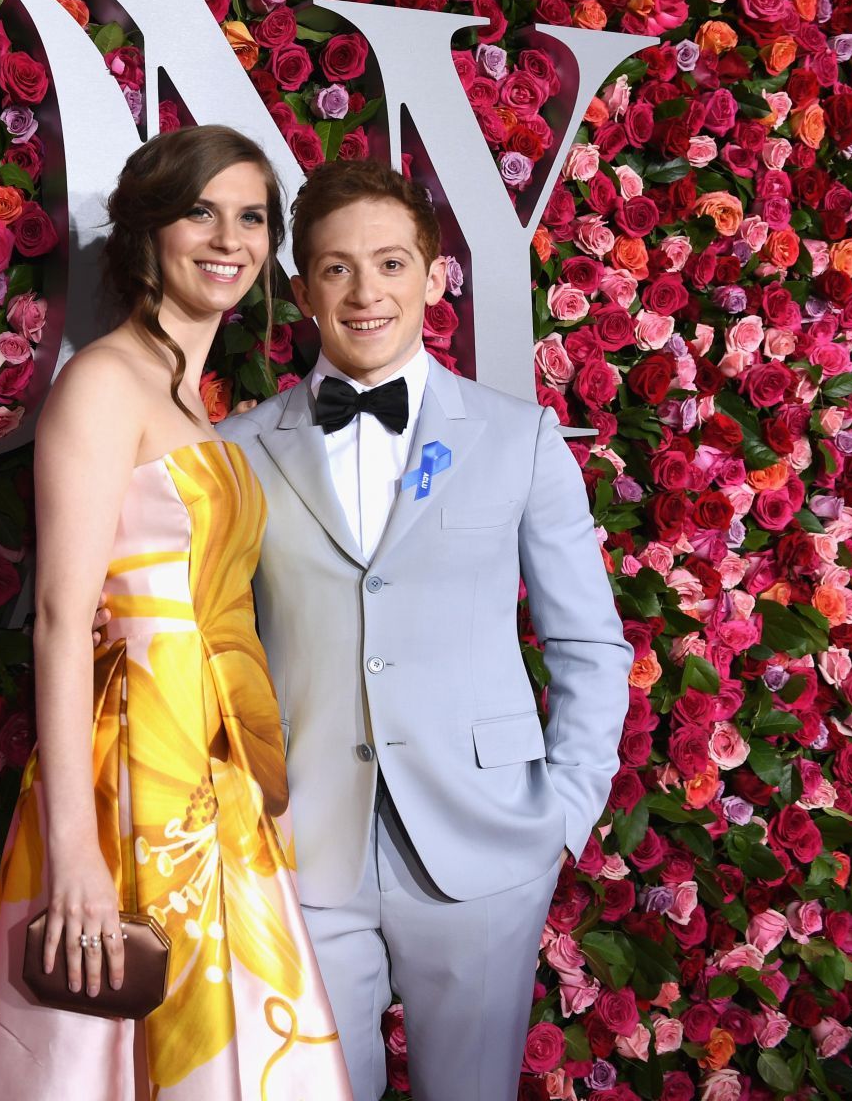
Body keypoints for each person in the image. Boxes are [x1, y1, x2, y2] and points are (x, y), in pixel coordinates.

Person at [211, 159, 632, 1101]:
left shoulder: (521, 439)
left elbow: (589, 646)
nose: (367, 293)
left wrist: (562, 816)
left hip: (488, 845)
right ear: (301, 287)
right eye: (336, 269)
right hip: (300, 845)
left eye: (392, 263)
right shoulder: (235, 451)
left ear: (436, 276)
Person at [0, 126, 355, 1100]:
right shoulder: (103, 381)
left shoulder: (190, 399)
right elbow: (60, 618)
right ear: (149, 231)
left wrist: (264, 783)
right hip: (133, 772)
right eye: (201, 210)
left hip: (216, 772)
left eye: (251, 216)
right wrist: (74, 856)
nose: (229, 236)